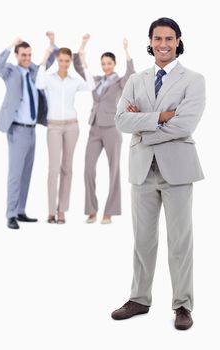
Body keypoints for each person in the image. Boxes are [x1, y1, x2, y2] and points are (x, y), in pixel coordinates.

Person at [111, 18, 205, 330]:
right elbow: (122, 121)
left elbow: (185, 125)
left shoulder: (193, 79)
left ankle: (182, 305)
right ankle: (139, 298)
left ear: (178, 41)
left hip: (177, 170)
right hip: (142, 171)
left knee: (180, 242)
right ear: (150, 42)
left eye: (169, 38)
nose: (163, 44)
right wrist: (161, 117)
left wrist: (144, 126)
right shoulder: (136, 80)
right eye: (157, 38)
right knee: (142, 240)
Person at [0, 32, 58, 229]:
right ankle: (11, 215)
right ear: (16, 55)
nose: (27, 58)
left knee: (27, 172)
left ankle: (21, 211)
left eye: (30, 55)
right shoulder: (10, 71)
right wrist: (11, 43)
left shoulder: (33, 71)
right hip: (17, 130)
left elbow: (50, 59)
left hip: (32, 129)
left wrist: (52, 42)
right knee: (15, 173)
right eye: (23, 55)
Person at [73, 34, 135, 224]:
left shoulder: (120, 82)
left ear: (114, 64)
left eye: (108, 63)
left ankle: (110, 211)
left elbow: (131, 74)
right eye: (103, 63)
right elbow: (79, 68)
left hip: (112, 129)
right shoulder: (97, 80)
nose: (105, 66)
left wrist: (126, 51)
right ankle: (91, 210)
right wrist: (82, 45)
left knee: (113, 170)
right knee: (88, 169)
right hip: (94, 128)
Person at [35, 47, 95, 224]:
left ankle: (62, 210)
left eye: (66, 61)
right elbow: (38, 83)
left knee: (67, 169)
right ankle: (51, 211)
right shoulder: (49, 79)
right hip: (53, 126)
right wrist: (45, 57)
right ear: (57, 60)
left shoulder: (74, 81)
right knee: (53, 170)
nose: (63, 64)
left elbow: (91, 85)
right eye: (61, 60)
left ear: (70, 62)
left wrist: (83, 61)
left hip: (71, 126)